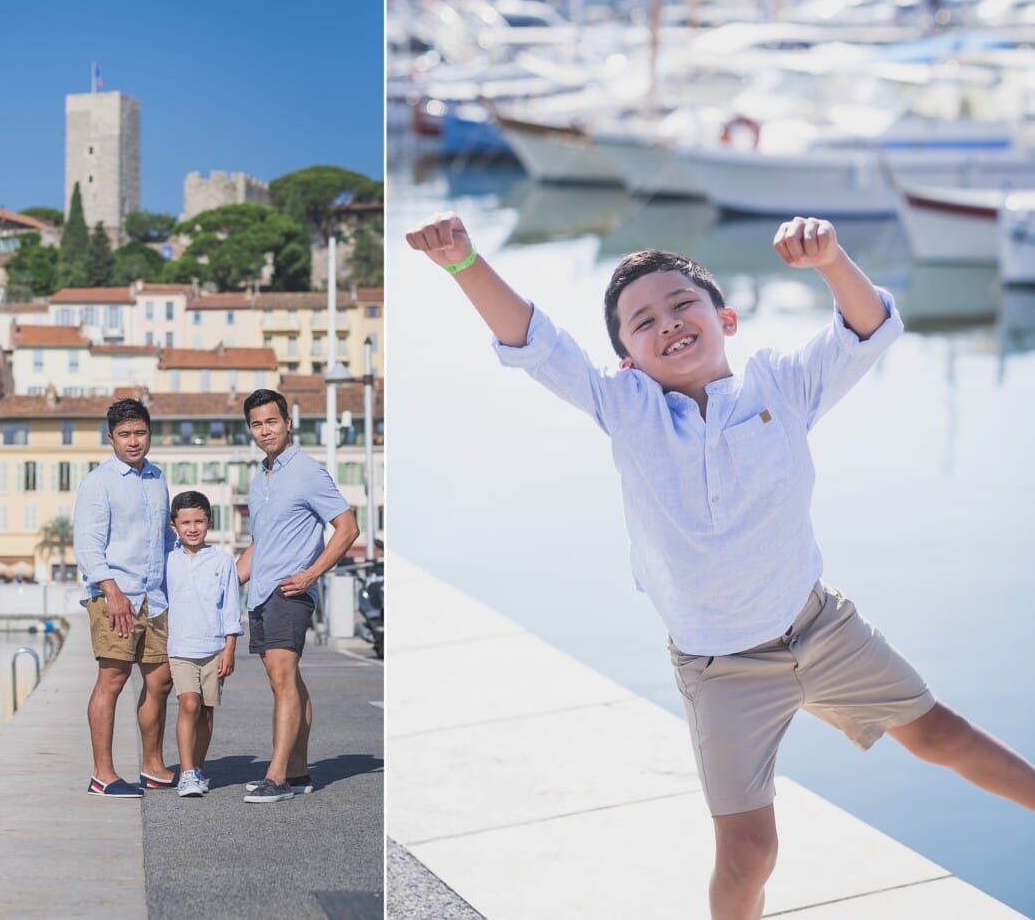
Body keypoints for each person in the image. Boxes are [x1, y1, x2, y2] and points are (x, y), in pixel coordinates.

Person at [405, 213, 1035, 920]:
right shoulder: (626, 408)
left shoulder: (781, 385)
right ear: (627, 360)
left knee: (942, 734)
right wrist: (464, 262)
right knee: (748, 853)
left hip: (820, 626)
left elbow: (864, 328)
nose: (668, 321)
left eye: (682, 305)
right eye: (643, 321)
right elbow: (536, 340)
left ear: (725, 317)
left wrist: (831, 260)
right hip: (721, 669)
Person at [237, 389, 360, 804]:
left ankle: (277, 777)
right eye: (256, 424)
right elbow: (260, 543)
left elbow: (347, 527)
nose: (264, 430)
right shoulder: (260, 480)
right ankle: (300, 770)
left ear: (288, 422)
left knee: (282, 679)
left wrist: (310, 574)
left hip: (289, 591)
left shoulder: (308, 472)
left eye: (272, 421)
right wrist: (227, 582)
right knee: (288, 682)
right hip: (260, 592)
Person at [74, 398, 177, 797]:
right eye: (124, 435)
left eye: (140, 433)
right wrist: (112, 592)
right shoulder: (99, 481)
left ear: (149, 434)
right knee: (113, 679)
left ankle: (152, 766)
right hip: (115, 596)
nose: (133, 441)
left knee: (160, 680)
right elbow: (87, 544)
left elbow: (164, 540)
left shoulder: (156, 478)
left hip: (155, 596)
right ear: (111, 438)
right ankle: (103, 774)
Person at [164, 490, 243, 798]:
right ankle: (185, 774)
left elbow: (231, 608)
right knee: (189, 704)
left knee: (207, 712)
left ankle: (197, 768)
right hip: (180, 648)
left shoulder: (223, 562)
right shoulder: (168, 560)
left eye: (199, 521)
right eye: (185, 523)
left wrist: (230, 648)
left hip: (213, 648)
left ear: (209, 522)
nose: (192, 528)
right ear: (174, 526)